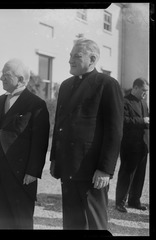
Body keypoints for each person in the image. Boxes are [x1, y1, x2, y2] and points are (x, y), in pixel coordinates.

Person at [49, 39, 124, 230]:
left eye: (76, 56)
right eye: (70, 56)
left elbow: (114, 130)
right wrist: (55, 160)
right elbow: (60, 125)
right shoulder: (65, 86)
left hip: (92, 170)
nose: (70, 60)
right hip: (68, 166)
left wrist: (105, 169)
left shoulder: (107, 84)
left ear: (92, 59)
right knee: (72, 224)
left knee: (96, 224)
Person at [0, 58, 50, 229]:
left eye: (6, 75)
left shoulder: (36, 104)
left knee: (21, 223)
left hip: (20, 175)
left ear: (21, 79)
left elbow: (40, 142)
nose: (1, 79)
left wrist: (33, 171)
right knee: (0, 221)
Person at [115, 78, 149, 213]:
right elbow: (122, 121)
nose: (145, 94)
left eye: (147, 91)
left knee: (140, 174)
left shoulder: (144, 103)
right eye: (143, 91)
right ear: (135, 88)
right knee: (126, 174)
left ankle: (134, 201)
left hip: (143, 144)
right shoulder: (124, 101)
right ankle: (120, 202)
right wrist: (143, 120)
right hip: (129, 145)